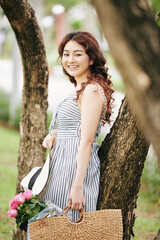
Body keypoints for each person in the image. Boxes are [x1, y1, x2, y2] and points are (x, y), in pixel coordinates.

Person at [40, 31, 114, 221]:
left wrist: (77, 187)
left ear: (91, 59)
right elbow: (79, 125)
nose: (70, 59)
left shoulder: (91, 90)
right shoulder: (82, 88)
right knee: (53, 226)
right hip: (62, 166)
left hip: (74, 169)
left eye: (78, 54)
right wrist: (58, 133)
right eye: (66, 54)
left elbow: (87, 140)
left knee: (69, 224)